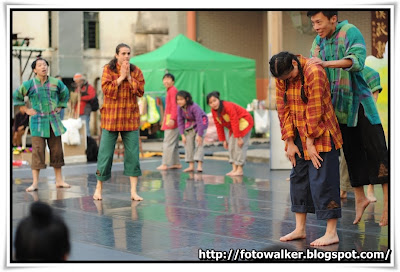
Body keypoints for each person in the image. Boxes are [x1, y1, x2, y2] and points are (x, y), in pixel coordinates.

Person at [307, 11, 389, 226]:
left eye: (318, 22)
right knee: (351, 155)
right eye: (313, 23)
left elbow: (357, 61)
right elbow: (314, 70)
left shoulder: (350, 31)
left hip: (360, 102)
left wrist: (325, 64)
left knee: (377, 151)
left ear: (332, 19)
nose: (315, 27)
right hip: (338, 107)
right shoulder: (318, 41)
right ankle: (360, 198)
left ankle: (389, 206)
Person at [270, 51, 343, 246]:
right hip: (299, 135)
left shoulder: (314, 71)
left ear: (295, 63)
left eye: (290, 76)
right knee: (298, 178)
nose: (287, 81)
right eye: (283, 79)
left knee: (323, 179)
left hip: (321, 132)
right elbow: (282, 108)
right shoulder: (282, 77)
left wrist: (310, 141)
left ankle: (331, 232)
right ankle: (300, 228)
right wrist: (289, 141)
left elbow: (315, 108)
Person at [93, 43, 144, 201]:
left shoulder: (136, 71)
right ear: (117, 55)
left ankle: (134, 192)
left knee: (133, 156)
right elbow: (106, 90)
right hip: (111, 119)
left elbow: (141, 91)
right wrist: (121, 78)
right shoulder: (108, 69)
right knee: (105, 155)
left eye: (128, 53)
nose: (126, 56)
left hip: (130, 118)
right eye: (123, 53)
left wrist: (129, 77)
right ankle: (98, 189)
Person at [13, 58, 71, 192]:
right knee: (38, 152)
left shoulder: (56, 83)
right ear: (34, 70)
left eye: (45, 65)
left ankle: (59, 180)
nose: (43, 67)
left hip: (53, 122)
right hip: (37, 123)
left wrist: (61, 106)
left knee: (57, 151)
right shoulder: (29, 84)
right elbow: (16, 96)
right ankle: (35, 183)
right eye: (39, 65)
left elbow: (65, 93)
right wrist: (26, 110)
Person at [340, 66, 383, 202]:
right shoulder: (341, 72)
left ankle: (370, 190)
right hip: (348, 120)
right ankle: (343, 188)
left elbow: (373, 99)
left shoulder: (368, 72)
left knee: (370, 155)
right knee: (347, 155)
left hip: (365, 119)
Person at [206, 91, 253, 176]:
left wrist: (239, 138)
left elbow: (235, 121)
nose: (213, 104)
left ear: (218, 99)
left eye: (214, 100)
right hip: (233, 127)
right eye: (210, 102)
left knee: (239, 146)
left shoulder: (228, 106)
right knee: (231, 146)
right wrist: (223, 140)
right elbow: (218, 125)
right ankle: (234, 168)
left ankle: (240, 169)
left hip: (243, 122)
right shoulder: (214, 111)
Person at [176, 90, 209, 172]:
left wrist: (199, 135)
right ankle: (191, 166)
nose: (179, 101)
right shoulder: (179, 108)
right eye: (177, 99)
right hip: (191, 125)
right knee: (188, 143)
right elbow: (180, 121)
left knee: (199, 143)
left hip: (201, 124)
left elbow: (199, 120)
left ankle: (199, 165)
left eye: (181, 99)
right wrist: (182, 135)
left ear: (187, 99)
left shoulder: (194, 107)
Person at [156, 73, 182, 170]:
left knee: (167, 142)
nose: (166, 81)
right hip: (171, 119)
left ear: (173, 82)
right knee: (173, 143)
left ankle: (165, 164)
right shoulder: (170, 90)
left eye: (168, 79)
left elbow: (175, 106)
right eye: (164, 79)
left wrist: (172, 119)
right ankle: (176, 163)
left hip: (172, 120)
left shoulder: (173, 91)